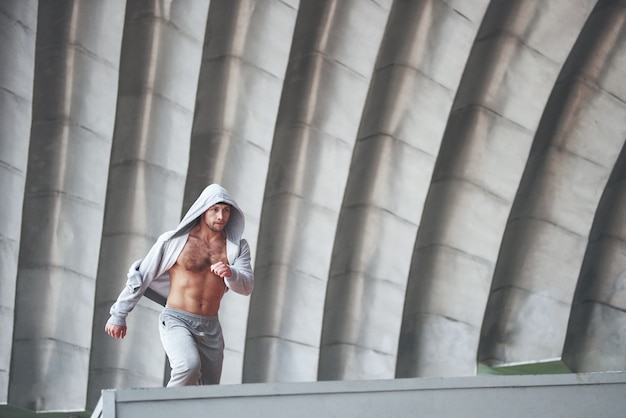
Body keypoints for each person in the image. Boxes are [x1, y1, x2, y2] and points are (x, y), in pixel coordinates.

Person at [105, 183, 254, 386]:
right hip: (177, 319)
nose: (221, 216)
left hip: (211, 326)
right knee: (188, 367)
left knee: (208, 392)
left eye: (226, 210)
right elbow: (141, 275)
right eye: (215, 210)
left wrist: (231, 273)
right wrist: (118, 314)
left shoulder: (236, 247)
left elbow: (246, 287)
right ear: (204, 210)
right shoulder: (174, 241)